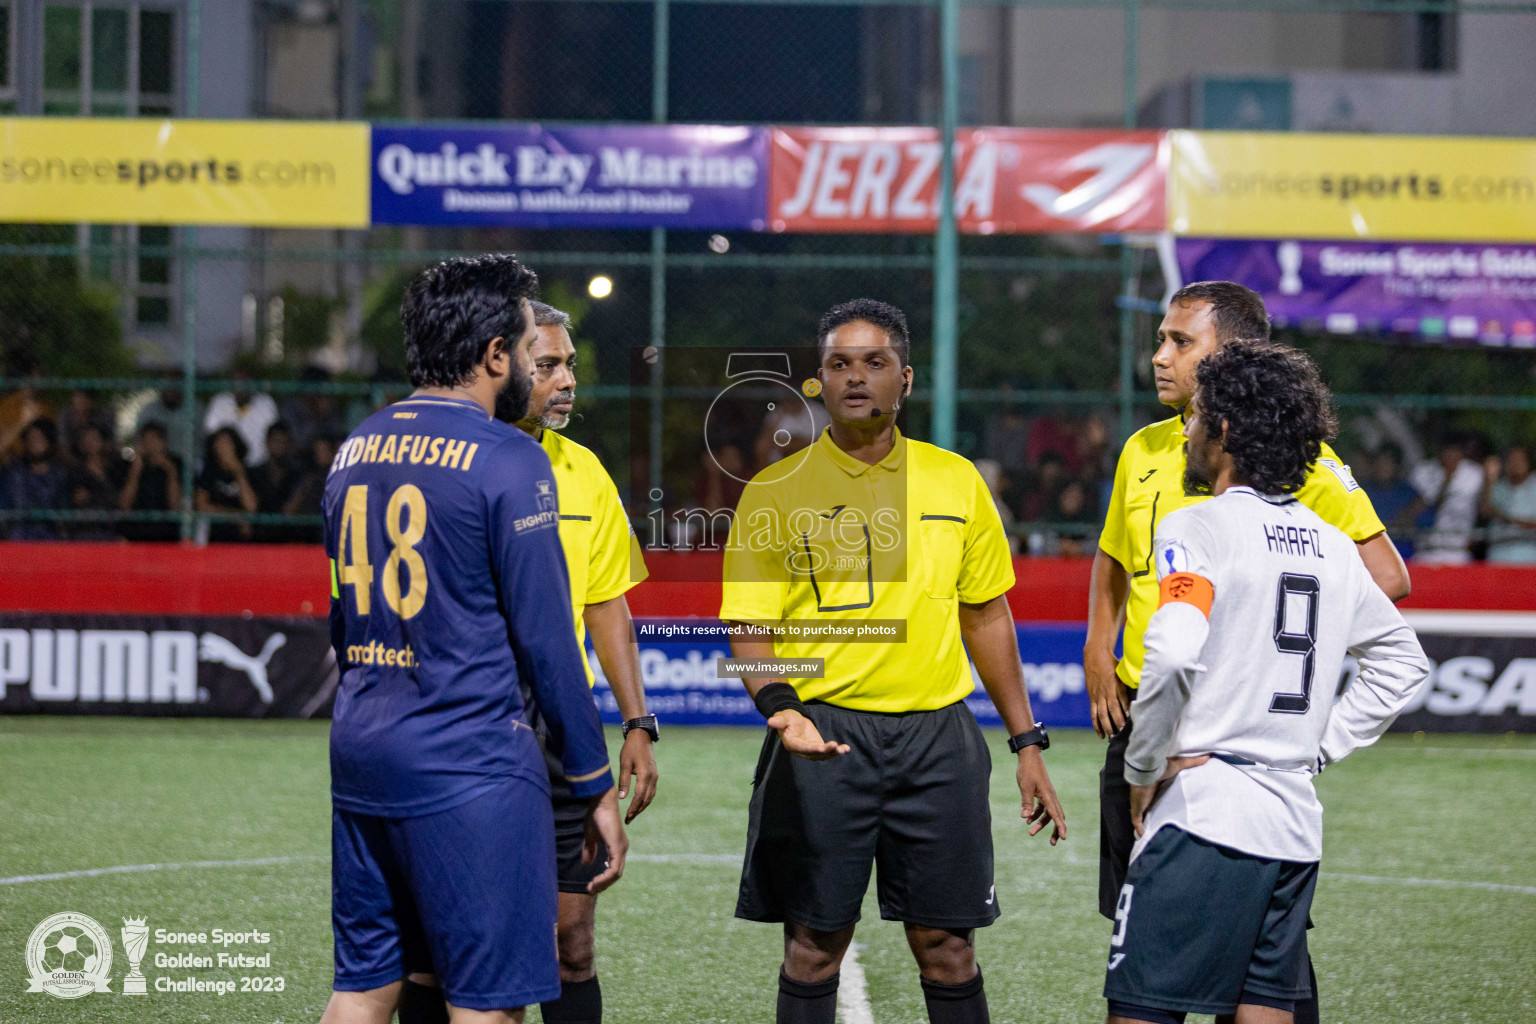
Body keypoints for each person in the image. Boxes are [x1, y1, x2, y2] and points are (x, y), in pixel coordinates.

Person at [721, 299, 1066, 1024]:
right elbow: (749, 625)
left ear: (904, 379)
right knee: (814, 947)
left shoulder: (956, 482)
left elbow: (987, 615)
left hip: (937, 742)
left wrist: (1027, 741)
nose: (857, 378)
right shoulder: (772, 492)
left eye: (874, 363)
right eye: (840, 364)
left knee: (947, 947)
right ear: (818, 380)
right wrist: (780, 709)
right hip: (822, 740)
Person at [1085, 281, 1411, 1024]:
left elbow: (1386, 576)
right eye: (1161, 339)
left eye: (1179, 342)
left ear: (1231, 362)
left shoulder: (1297, 469)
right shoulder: (1144, 449)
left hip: (1198, 753)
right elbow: (1114, 561)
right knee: (1165, 938)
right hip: (1213, 753)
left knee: (1160, 989)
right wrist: (1098, 647)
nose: (1159, 356)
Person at [319, 254, 626, 1024]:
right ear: (494, 356)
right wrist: (593, 784)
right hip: (470, 765)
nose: (538, 365)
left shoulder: (357, 446)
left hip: (362, 749)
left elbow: (341, 624)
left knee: (364, 989)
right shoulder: (512, 459)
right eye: (529, 349)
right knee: (488, 1005)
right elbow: (551, 645)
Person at [399, 300, 657, 1024]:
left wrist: (638, 721)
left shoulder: (586, 474)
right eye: (549, 365)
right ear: (502, 362)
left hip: (557, 731)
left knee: (571, 941)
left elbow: (607, 606)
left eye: (570, 364)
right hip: (462, 722)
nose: (566, 379)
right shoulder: (447, 461)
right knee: (432, 953)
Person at [1408, 432, 1484, 564]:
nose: (1451, 455)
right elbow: (1426, 508)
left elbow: (1482, 509)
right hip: (1426, 550)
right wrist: (1446, 480)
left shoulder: (1474, 473)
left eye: (1455, 451)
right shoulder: (1424, 471)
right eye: (1447, 450)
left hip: (1457, 551)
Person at [3, 419, 70, 540]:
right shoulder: (14, 472)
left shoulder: (60, 475)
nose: (34, 443)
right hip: (17, 541)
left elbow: (64, 512)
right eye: (30, 439)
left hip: (50, 541)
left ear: (49, 442)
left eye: (39, 439)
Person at [118, 422, 184, 542]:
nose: (150, 445)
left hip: (167, 536)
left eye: (154, 439)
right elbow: (123, 506)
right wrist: (135, 471)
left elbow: (176, 508)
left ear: (164, 443)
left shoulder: (176, 464)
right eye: (145, 440)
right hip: (135, 535)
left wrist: (171, 473)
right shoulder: (129, 465)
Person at [195, 426, 259, 542]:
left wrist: (238, 473)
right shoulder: (209, 472)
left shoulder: (249, 472)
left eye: (227, 443)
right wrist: (235, 517)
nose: (223, 448)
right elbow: (201, 505)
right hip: (213, 534)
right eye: (219, 443)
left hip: (242, 539)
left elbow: (251, 507)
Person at [204, 371, 279, 466]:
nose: (242, 388)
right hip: (225, 467)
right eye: (238, 383)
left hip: (260, 467)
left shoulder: (266, 403)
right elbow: (211, 436)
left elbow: (275, 438)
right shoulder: (219, 402)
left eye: (246, 383)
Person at [250, 421, 306, 542]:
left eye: (284, 442)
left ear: (291, 445)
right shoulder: (253, 473)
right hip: (257, 542)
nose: (280, 446)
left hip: (289, 543)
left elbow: (291, 513)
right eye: (276, 441)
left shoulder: (298, 476)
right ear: (267, 442)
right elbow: (252, 508)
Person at [68, 423, 124, 540]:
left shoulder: (116, 469)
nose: (90, 442)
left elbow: (118, 502)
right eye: (86, 438)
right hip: (81, 533)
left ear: (105, 443)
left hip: (108, 532)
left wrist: (101, 477)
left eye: (94, 439)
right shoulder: (74, 471)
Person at [1484, 445, 1536, 564]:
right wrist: (1488, 478)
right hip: (1498, 558)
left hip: (1529, 558)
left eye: (1520, 460)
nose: (1516, 464)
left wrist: (1509, 520)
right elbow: (1485, 510)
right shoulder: (1498, 487)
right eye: (1511, 460)